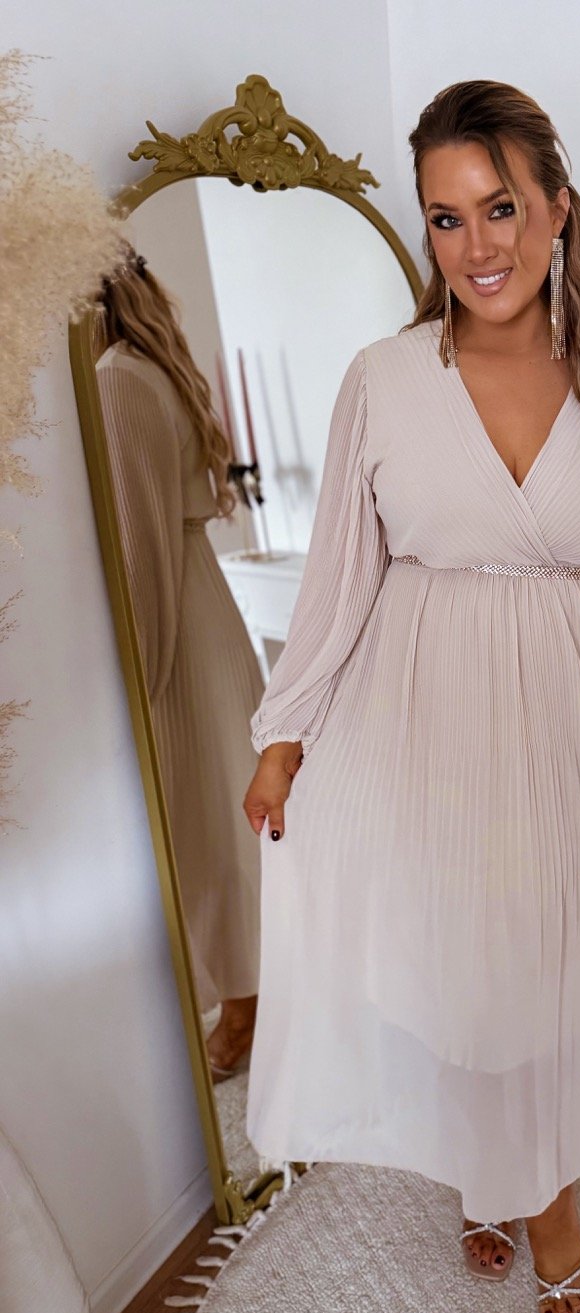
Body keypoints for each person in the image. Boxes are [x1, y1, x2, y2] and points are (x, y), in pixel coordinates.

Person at [242, 79, 580, 1313]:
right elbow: (339, 579)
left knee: (550, 977)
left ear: (556, 209)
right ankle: (514, 1188)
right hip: (423, 713)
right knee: (455, 974)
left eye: (499, 208)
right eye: (445, 218)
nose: (476, 246)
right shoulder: (382, 379)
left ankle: (530, 1193)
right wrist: (284, 735)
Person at [96, 244, 262, 1082]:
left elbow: (140, 542)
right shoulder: (151, 369)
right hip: (205, 608)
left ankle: (245, 1014)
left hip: (181, 629)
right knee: (226, 824)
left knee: (211, 831)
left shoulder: (119, 379)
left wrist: (143, 675)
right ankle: (252, 1007)